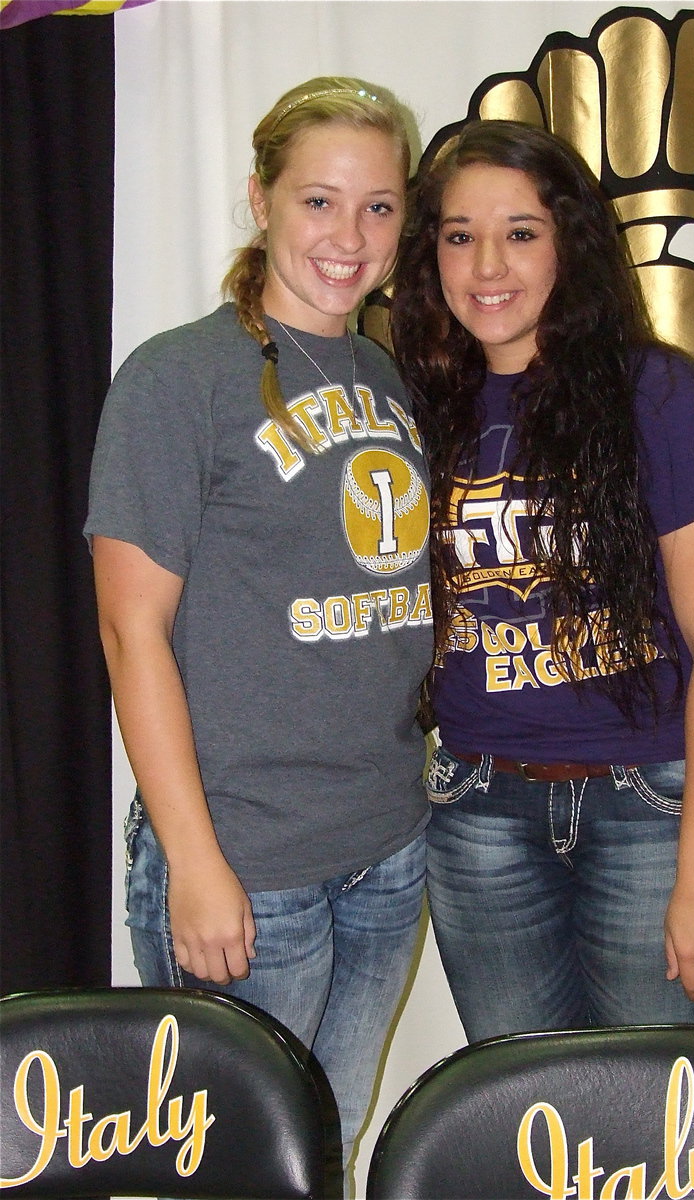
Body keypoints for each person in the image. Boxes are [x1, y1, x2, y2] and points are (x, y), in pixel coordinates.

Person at [85, 77, 433, 1189]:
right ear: (260, 198)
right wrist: (193, 861)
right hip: (247, 862)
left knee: (322, 1148)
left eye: (378, 207)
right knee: (236, 1169)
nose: (349, 236)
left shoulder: (384, 374)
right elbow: (130, 632)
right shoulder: (174, 378)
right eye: (319, 201)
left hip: (387, 846)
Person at [390, 119, 694, 1041]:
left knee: (659, 1132)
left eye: (520, 232)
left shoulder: (657, 393)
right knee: (530, 1132)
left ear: (568, 241)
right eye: (458, 234)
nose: (487, 264)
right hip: (479, 811)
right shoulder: (413, 407)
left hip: (652, 804)